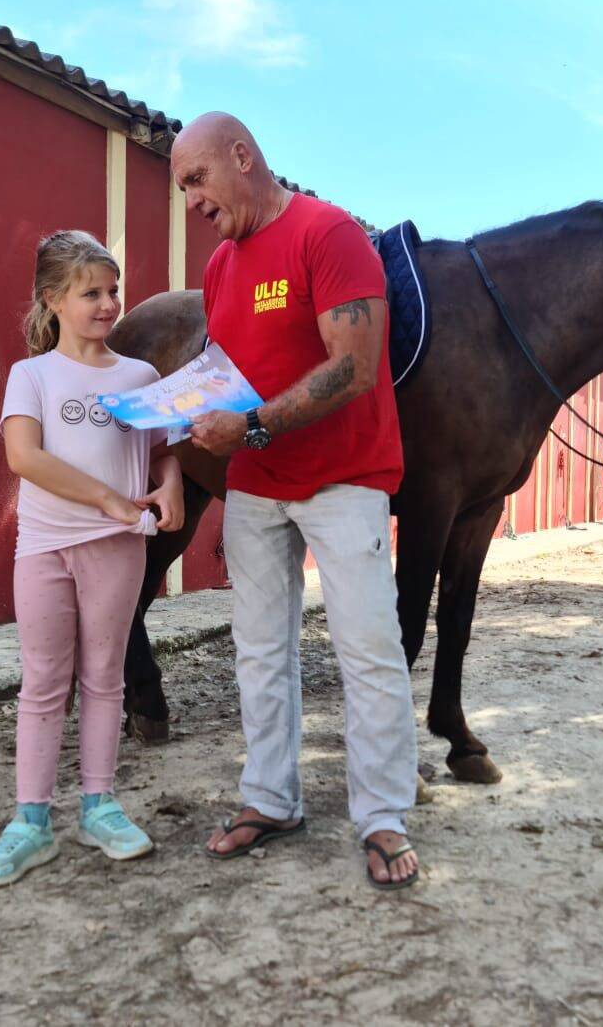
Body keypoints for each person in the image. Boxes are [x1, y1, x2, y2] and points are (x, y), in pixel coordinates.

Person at [171, 112, 421, 890]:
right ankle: (270, 798)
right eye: (182, 188)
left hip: (343, 477)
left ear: (241, 156)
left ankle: (382, 815)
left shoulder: (329, 233)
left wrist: (249, 423)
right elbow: (226, 365)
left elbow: (353, 366)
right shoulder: (219, 267)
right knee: (258, 648)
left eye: (196, 180)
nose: (190, 202)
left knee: (367, 646)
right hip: (255, 484)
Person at [0, 231, 184, 887]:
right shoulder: (30, 375)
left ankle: (99, 804)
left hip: (116, 552)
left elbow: (165, 447)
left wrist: (168, 484)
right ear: (53, 298)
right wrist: (109, 500)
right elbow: (24, 457)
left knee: (104, 676)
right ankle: (31, 822)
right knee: (42, 682)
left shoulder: (139, 376)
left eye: (113, 290)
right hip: (44, 546)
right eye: (91, 292)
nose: (108, 303)